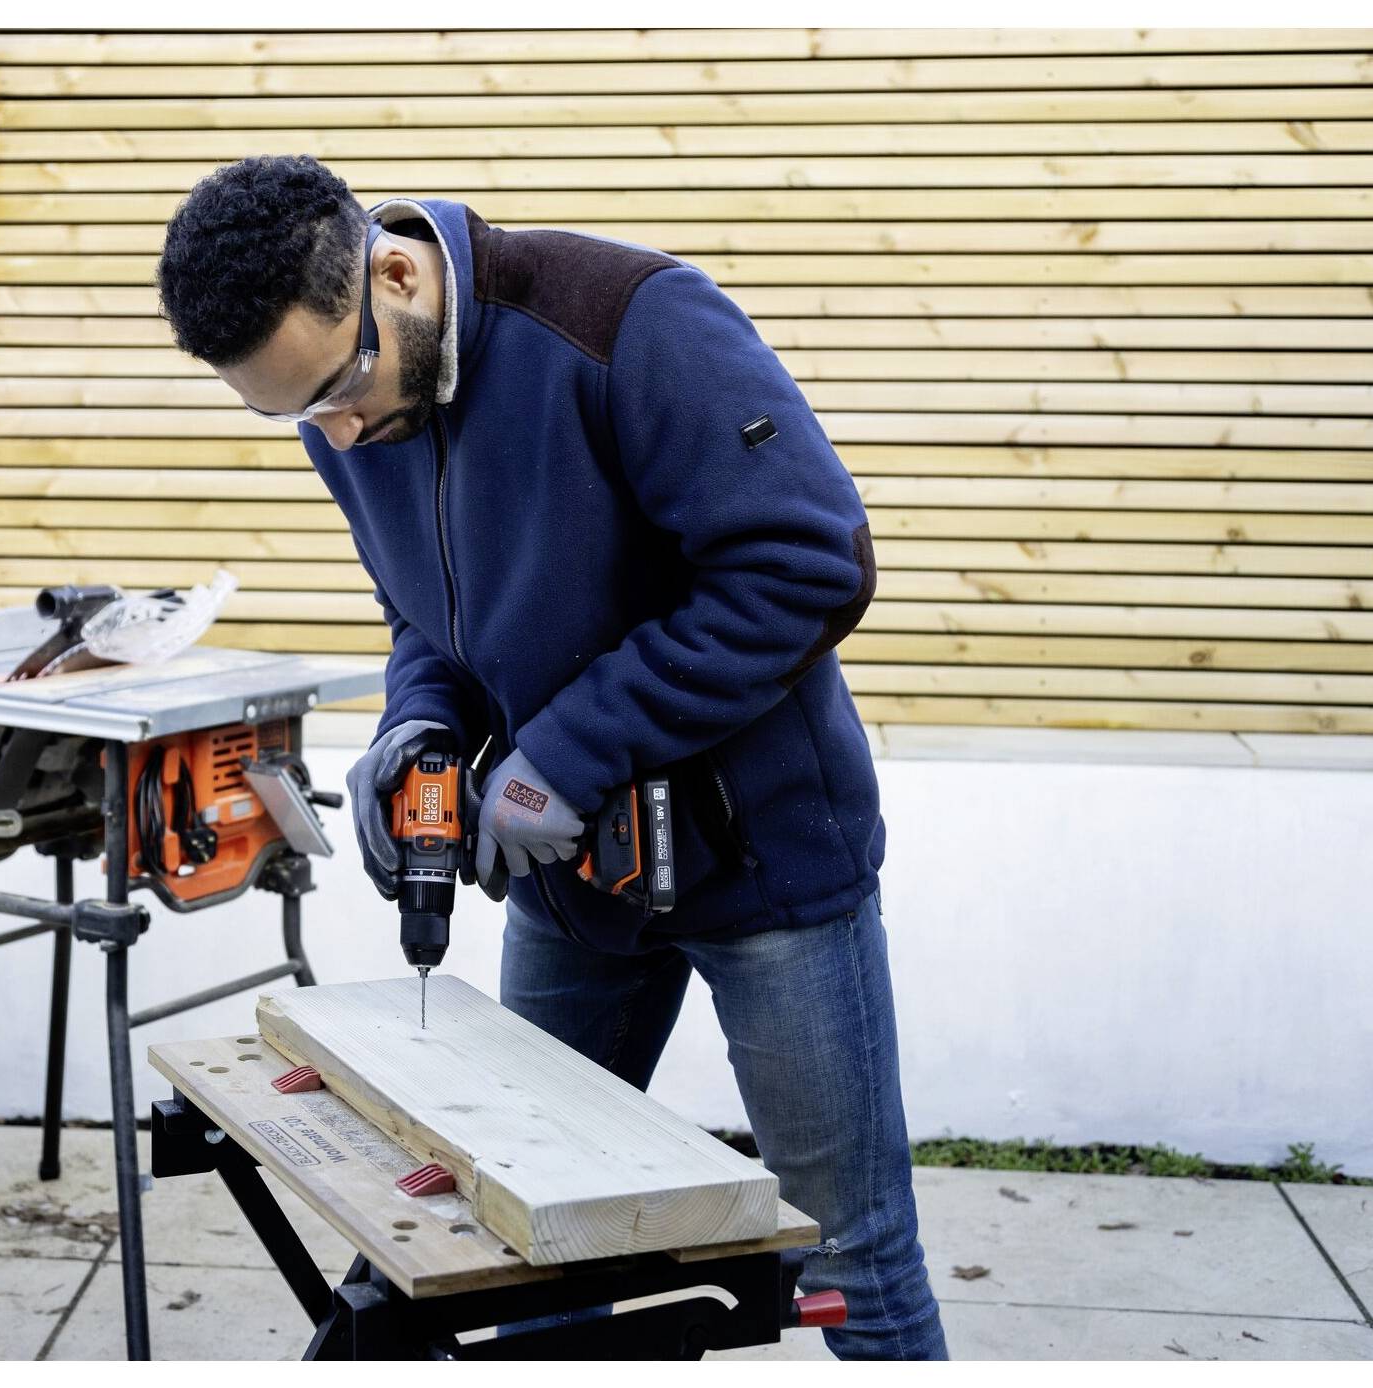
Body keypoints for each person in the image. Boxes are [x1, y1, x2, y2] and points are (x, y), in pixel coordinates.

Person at [155, 154, 947, 1359]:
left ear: (396, 274)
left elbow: (806, 564)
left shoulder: (627, 323)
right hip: (575, 880)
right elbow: (427, 611)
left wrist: (568, 752)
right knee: (530, 1237)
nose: (340, 432)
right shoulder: (349, 397)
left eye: (339, 388)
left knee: (854, 1261)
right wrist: (419, 723)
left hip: (765, 868)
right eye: (296, 415)